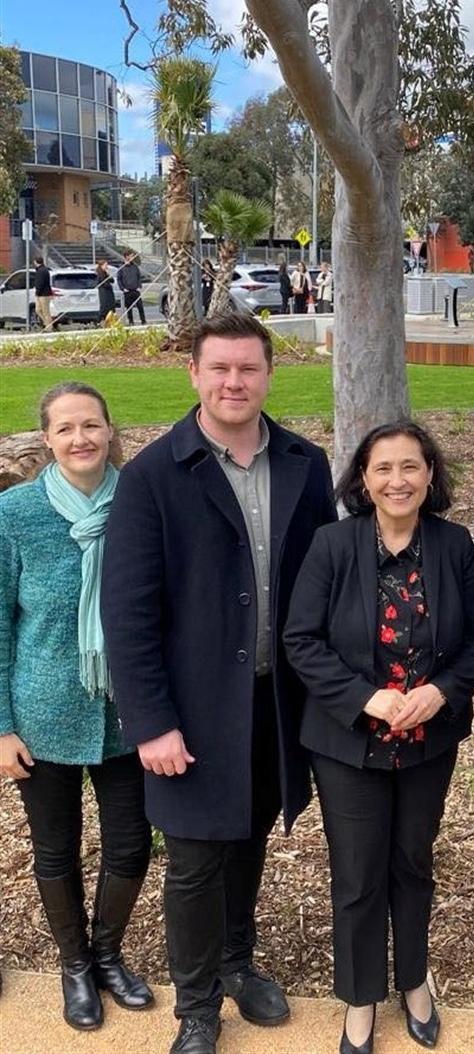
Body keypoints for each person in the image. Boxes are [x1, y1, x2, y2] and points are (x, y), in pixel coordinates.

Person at [101, 311, 336, 1054]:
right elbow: (127, 612)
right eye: (220, 368)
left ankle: (238, 960)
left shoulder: (307, 463)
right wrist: (150, 722)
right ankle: (198, 1007)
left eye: (249, 368)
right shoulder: (150, 477)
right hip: (192, 713)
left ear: (269, 374)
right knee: (196, 861)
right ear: (194, 375)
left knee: (249, 839)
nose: (235, 381)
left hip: (275, 703)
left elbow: (323, 585)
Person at [285, 421, 474, 1054]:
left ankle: (413, 981)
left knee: (412, 863)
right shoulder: (331, 545)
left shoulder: (455, 545)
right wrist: (365, 697)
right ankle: (359, 996)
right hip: (348, 741)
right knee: (357, 875)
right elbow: (302, 640)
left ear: (430, 475)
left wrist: (443, 691)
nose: (397, 480)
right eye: (383, 468)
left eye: (411, 467)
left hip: (428, 740)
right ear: (363, 479)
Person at [0, 382, 154, 1031]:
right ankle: (74, 965)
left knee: (131, 845)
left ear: (110, 430)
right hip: (42, 715)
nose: (81, 438)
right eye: (66, 428)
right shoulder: (15, 513)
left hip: (127, 715)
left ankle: (107, 954)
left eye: (91, 424)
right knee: (55, 850)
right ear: (47, 439)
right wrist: (1, 726)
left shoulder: (143, 505)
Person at [116, 252, 145, 326]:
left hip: (135, 290)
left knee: (140, 306)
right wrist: (123, 288)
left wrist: (139, 286)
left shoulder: (135, 267)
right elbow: (119, 279)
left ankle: (143, 320)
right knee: (129, 308)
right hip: (127, 291)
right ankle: (131, 321)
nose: (132, 257)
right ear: (126, 256)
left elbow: (139, 277)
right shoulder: (122, 268)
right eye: (131, 256)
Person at [33, 255, 53, 330]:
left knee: (46, 311)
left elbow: (40, 283)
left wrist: (37, 292)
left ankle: (49, 327)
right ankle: (46, 323)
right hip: (40, 294)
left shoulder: (42, 271)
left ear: (36, 262)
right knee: (38, 310)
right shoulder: (40, 270)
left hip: (44, 294)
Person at [96, 259, 117, 324]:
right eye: (105, 265)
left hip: (109, 292)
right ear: (101, 266)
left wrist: (109, 274)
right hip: (104, 293)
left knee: (111, 307)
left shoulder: (105, 273)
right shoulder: (100, 274)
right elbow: (104, 283)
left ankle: (110, 321)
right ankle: (98, 322)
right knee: (104, 308)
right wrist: (108, 283)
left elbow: (112, 281)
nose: (106, 266)